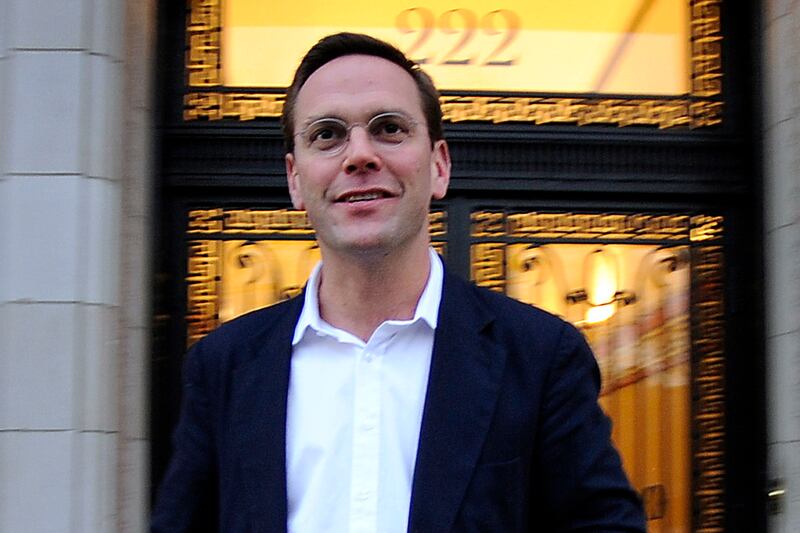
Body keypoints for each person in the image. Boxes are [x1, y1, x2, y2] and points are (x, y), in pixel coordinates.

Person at [152, 32, 646, 532]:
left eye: (389, 128)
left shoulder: (539, 356)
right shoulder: (225, 366)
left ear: (439, 166)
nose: (359, 155)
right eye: (327, 135)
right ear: (295, 179)